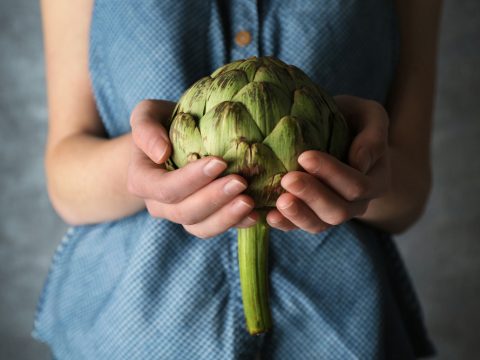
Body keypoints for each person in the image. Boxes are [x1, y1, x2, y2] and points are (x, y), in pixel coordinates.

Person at [34, 0, 441, 358]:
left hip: (342, 330)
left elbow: (410, 193)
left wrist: (357, 161)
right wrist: (160, 158)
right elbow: (65, 179)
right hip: (132, 329)